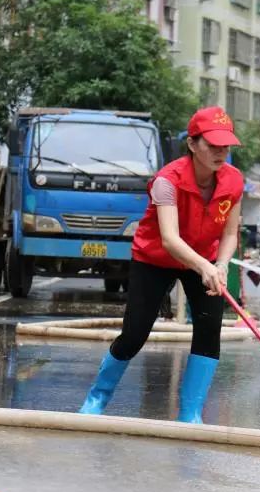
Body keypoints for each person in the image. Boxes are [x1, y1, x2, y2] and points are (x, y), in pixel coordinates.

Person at [78, 106, 243, 424]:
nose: (220, 152)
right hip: (155, 259)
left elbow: (231, 232)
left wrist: (220, 264)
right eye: (212, 145)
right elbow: (169, 239)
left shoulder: (234, 181)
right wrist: (205, 266)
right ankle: (97, 398)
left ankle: (190, 413)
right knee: (135, 332)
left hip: (204, 260)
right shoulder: (167, 181)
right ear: (193, 145)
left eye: (226, 145)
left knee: (209, 331)